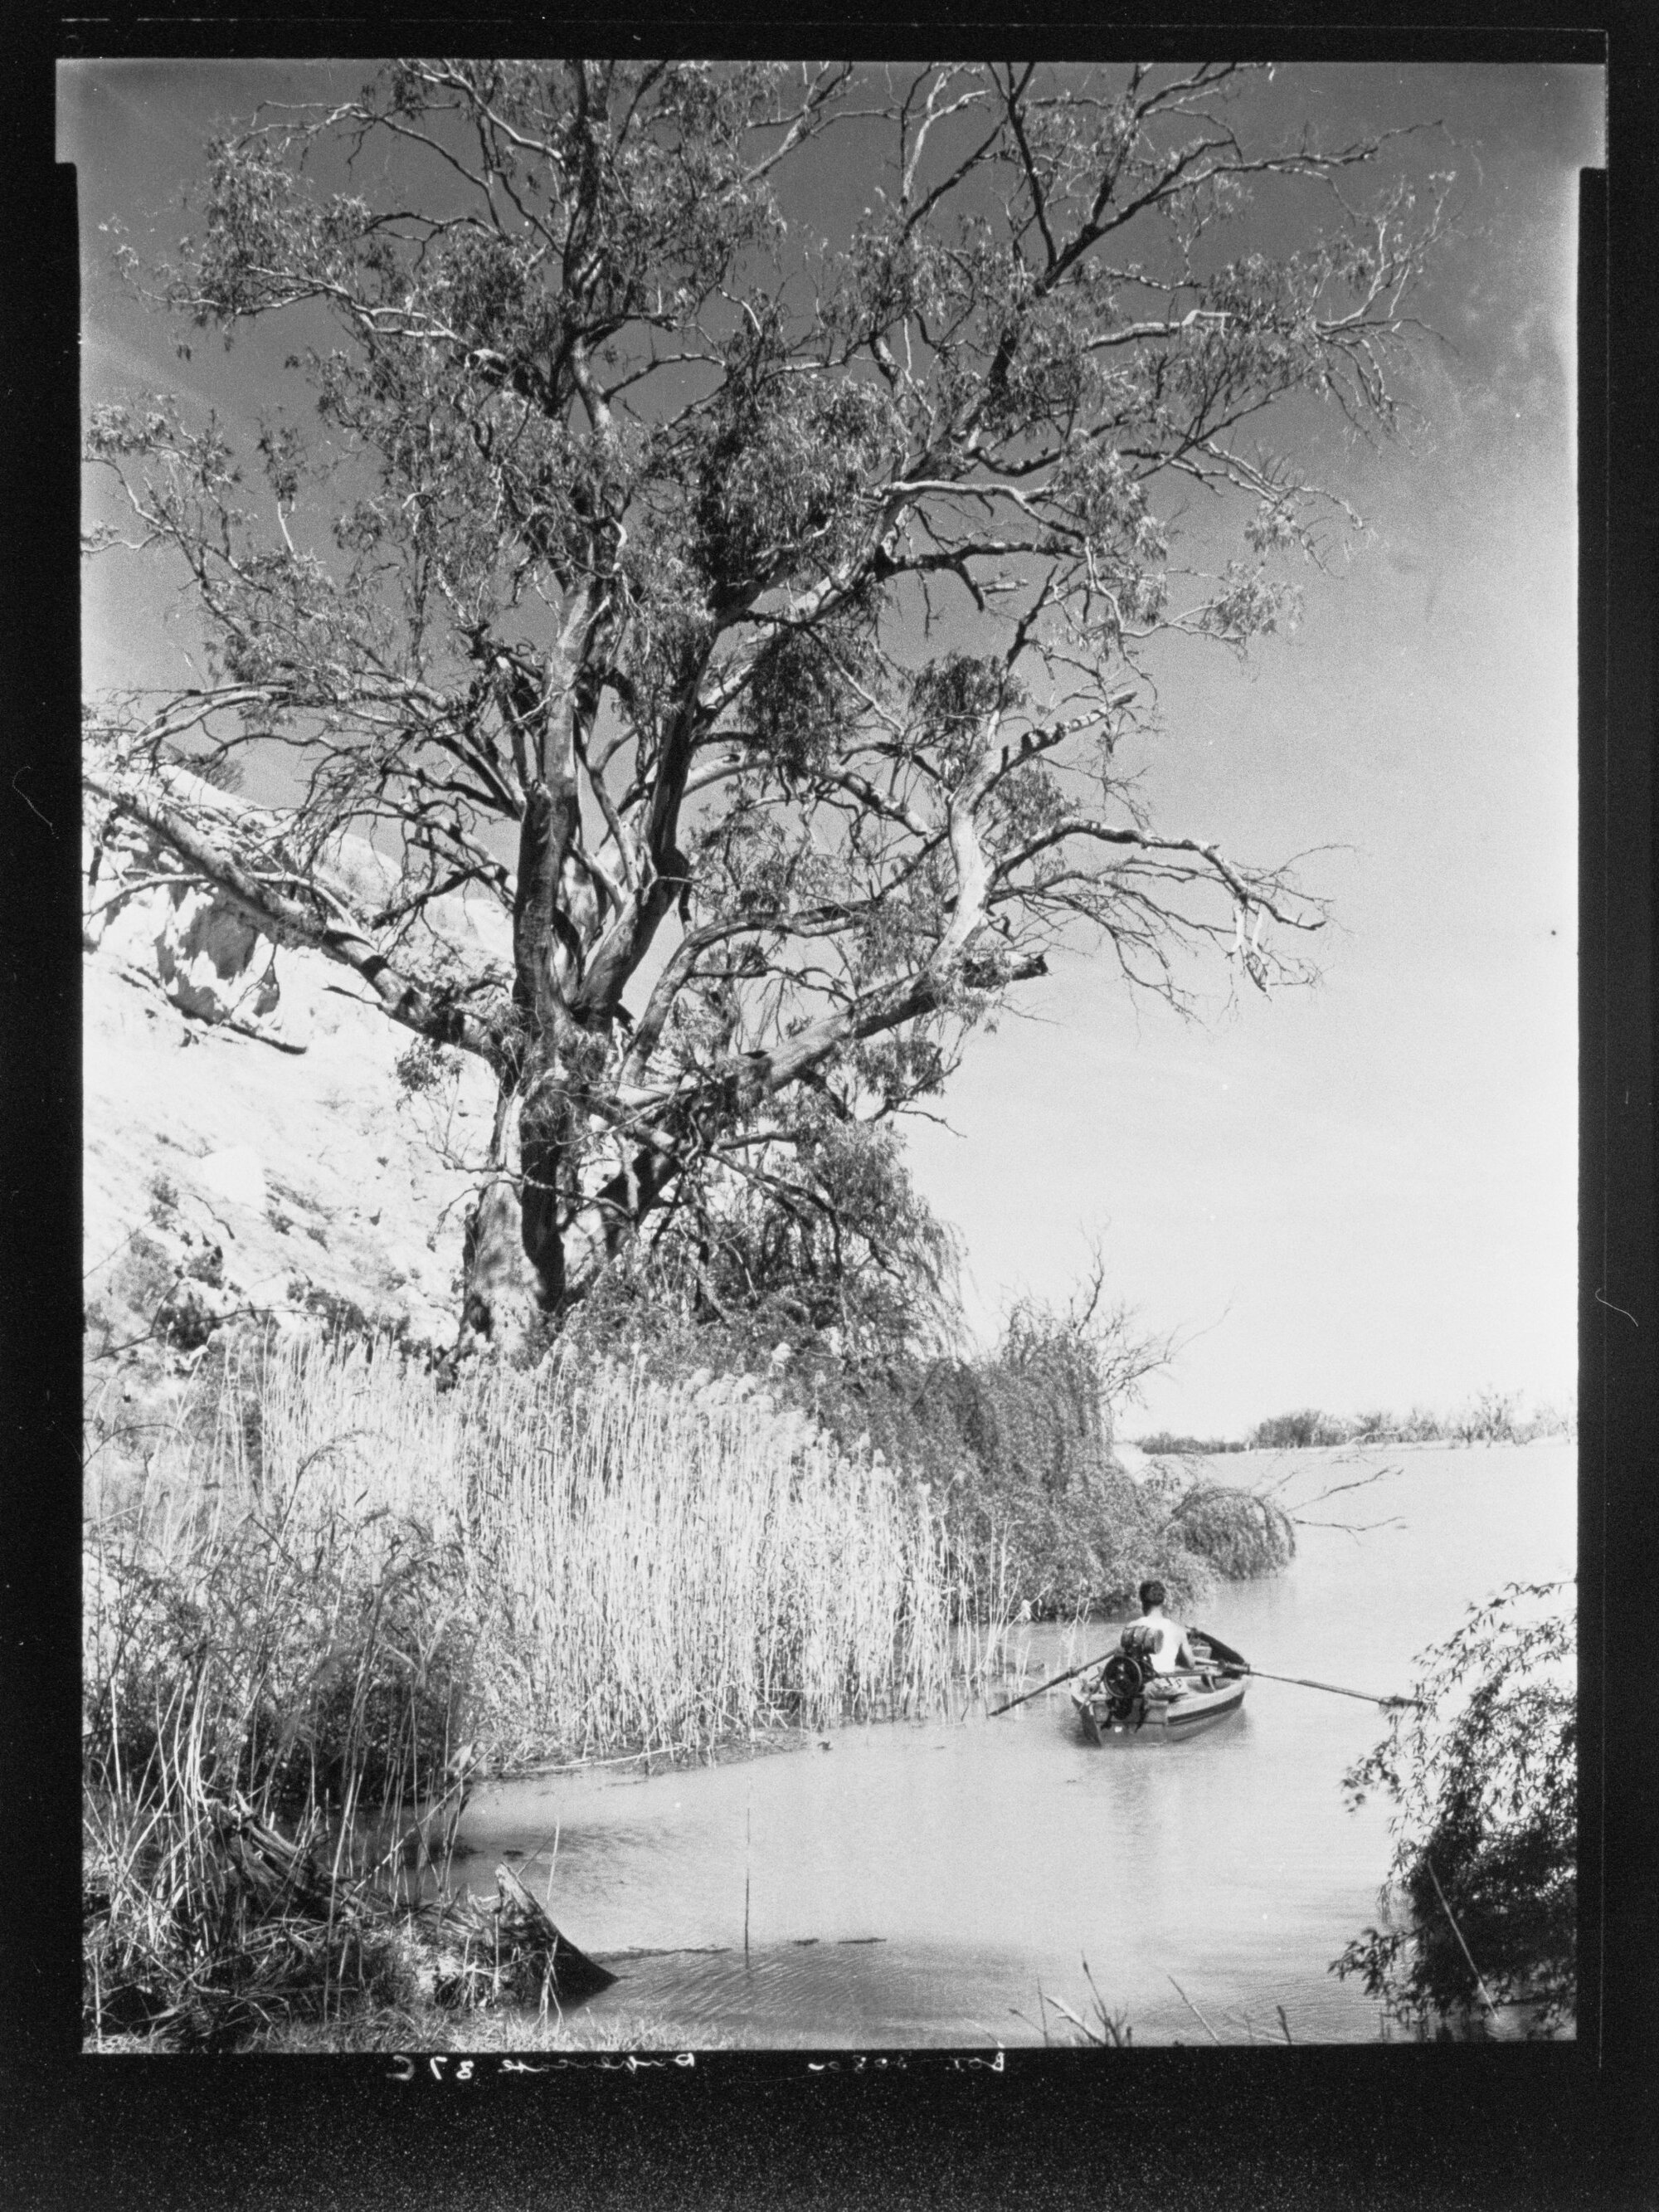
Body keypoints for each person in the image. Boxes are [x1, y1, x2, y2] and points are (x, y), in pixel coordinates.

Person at [1121, 1579, 1198, 1675]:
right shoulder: (1178, 1630)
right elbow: (1191, 1664)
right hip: (1167, 1684)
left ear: (1141, 1601)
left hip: (1141, 1685)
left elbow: (1120, 1660)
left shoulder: (1132, 1627)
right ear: (1164, 1601)